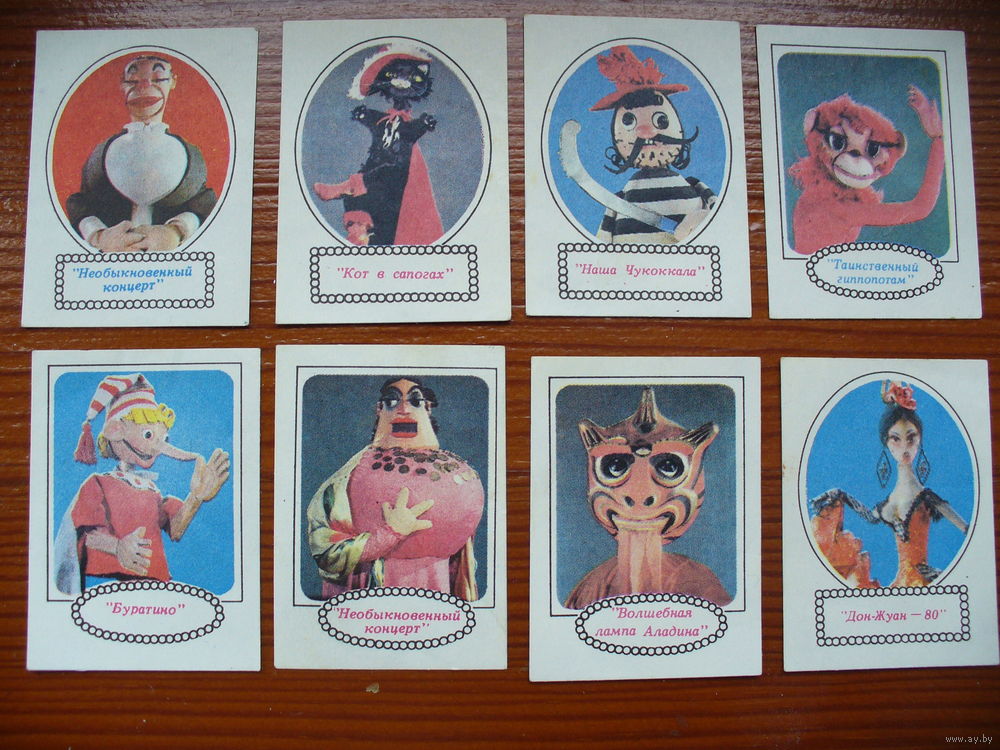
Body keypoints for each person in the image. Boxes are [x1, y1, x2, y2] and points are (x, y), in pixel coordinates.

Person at [306, 377, 481, 600]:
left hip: (436, 588)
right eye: (392, 402)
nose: (404, 409)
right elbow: (325, 548)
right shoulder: (347, 478)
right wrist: (390, 534)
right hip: (372, 591)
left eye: (415, 401)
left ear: (427, 408)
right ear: (379, 409)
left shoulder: (456, 471)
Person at [55, 374, 230, 594]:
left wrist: (196, 497)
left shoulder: (151, 491)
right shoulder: (99, 483)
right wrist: (117, 547)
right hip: (108, 589)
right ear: (115, 431)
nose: (159, 447)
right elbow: (82, 534)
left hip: (155, 589)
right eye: (148, 434)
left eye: (164, 439)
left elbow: (176, 530)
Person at [811, 381, 968, 587]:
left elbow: (969, 531)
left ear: (919, 439)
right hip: (899, 584)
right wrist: (842, 495)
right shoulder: (889, 502)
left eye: (911, 438)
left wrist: (944, 574)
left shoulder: (926, 497)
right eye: (896, 439)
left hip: (922, 582)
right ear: (887, 442)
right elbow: (870, 517)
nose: (904, 447)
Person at [66, 55, 217, 254]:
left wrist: (176, 231)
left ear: (172, 82)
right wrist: (100, 235)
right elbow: (81, 204)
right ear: (122, 84)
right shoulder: (101, 153)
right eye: (133, 81)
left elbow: (203, 203)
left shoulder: (191, 155)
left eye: (158, 79)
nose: (144, 87)